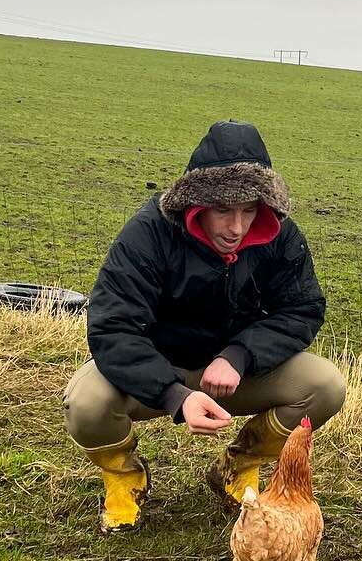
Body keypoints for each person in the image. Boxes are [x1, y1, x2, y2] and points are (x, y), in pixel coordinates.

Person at [64, 121, 347, 532]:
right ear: (196, 203)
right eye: (223, 210)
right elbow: (113, 326)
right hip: (159, 370)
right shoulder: (150, 233)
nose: (237, 227)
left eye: (249, 211)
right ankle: (126, 478)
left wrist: (239, 355)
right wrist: (175, 395)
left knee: (325, 386)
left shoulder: (281, 236)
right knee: (85, 404)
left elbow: (301, 309)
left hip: (234, 375)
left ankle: (238, 466)